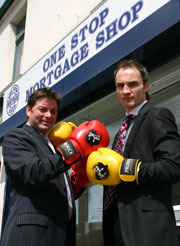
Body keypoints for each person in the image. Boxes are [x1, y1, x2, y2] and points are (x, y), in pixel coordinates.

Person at [86, 59, 180, 246]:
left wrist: (129, 169)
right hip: (117, 225)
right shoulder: (121, 130)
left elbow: (173, 167)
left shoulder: (157, 116)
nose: (125, 90)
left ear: (146, 86)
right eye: (120, 86)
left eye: (132, 84)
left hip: (148, 228)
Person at [0, 87, 110, 246]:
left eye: (53, 111)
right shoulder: (16, 137)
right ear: (29, 110)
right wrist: (75, 147)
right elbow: (34, 172)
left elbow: (56, 189)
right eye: (42, 109)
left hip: (60, 234)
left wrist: (78, 181)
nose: (48, 115)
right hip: (31, 235)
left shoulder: (51, 145)